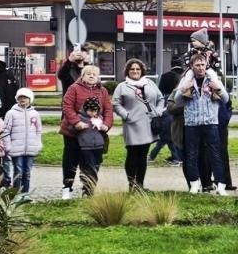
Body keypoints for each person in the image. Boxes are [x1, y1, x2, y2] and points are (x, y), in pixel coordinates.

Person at [175, 52, 228, 195]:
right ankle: (194, 184)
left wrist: (218, 88)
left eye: (203, 64)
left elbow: (226, 99)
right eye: (197, 65)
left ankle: (220, 185)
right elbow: (177, 101)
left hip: (211, 122)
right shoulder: (186, 80)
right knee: (191, 155)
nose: (200, 68)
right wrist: (183, 89)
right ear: (192, 66)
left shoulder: (212, 79)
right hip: (192, 123)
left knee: (215, 154)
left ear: (206, 65)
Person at [113, 59, 163, 192]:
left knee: (143, 155)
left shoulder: (150, 83)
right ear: (127, 71)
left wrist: (158, 112)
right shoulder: (122, 86)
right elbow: (116, 104)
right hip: (132, 125)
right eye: (132, 69)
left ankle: (140, 184)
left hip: (148, 125)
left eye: (138, 69)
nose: (135, 71)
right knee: (132, 155)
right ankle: (132, 185)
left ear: (142, 71)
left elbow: (160, 99)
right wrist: (126, 115)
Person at [59, 64, 109, 196]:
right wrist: (77, 122)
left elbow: (108, 109)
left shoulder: (102, 91)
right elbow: (67, 106)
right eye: (88, 74)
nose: (92, 76)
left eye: (94, 74)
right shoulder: (74, 88)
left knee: (91, 162)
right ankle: (67, 187)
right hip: (73, 133)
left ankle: (88, 190)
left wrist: (107, 124)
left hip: (93, 133)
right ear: (83, 76)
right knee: (71, 160)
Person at [2, 88, 43, 198]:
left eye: (25, 97)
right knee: (18, 171)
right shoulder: (11, 113)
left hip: (30, 148)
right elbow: (5, 131)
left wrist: (38, 144)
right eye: (20, 97)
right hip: (16, 148)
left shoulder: (35, 114)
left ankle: (25, 193)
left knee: (27, 172)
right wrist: (8, 146)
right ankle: (16, 193)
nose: (22, 99)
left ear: (30, 99)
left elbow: (38, 130)